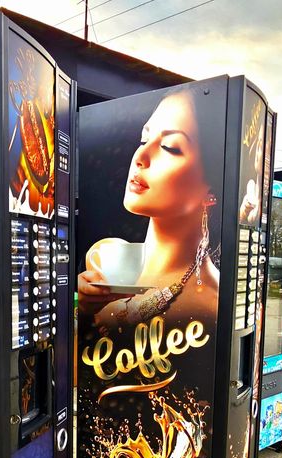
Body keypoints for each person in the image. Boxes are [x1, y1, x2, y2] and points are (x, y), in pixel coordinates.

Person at [78, 87, 220, 330]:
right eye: (144, 139)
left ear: (212, 189)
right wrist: (81, 309)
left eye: (170, 147)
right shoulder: (104, 257)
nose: (140, 156)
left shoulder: (210, 304)